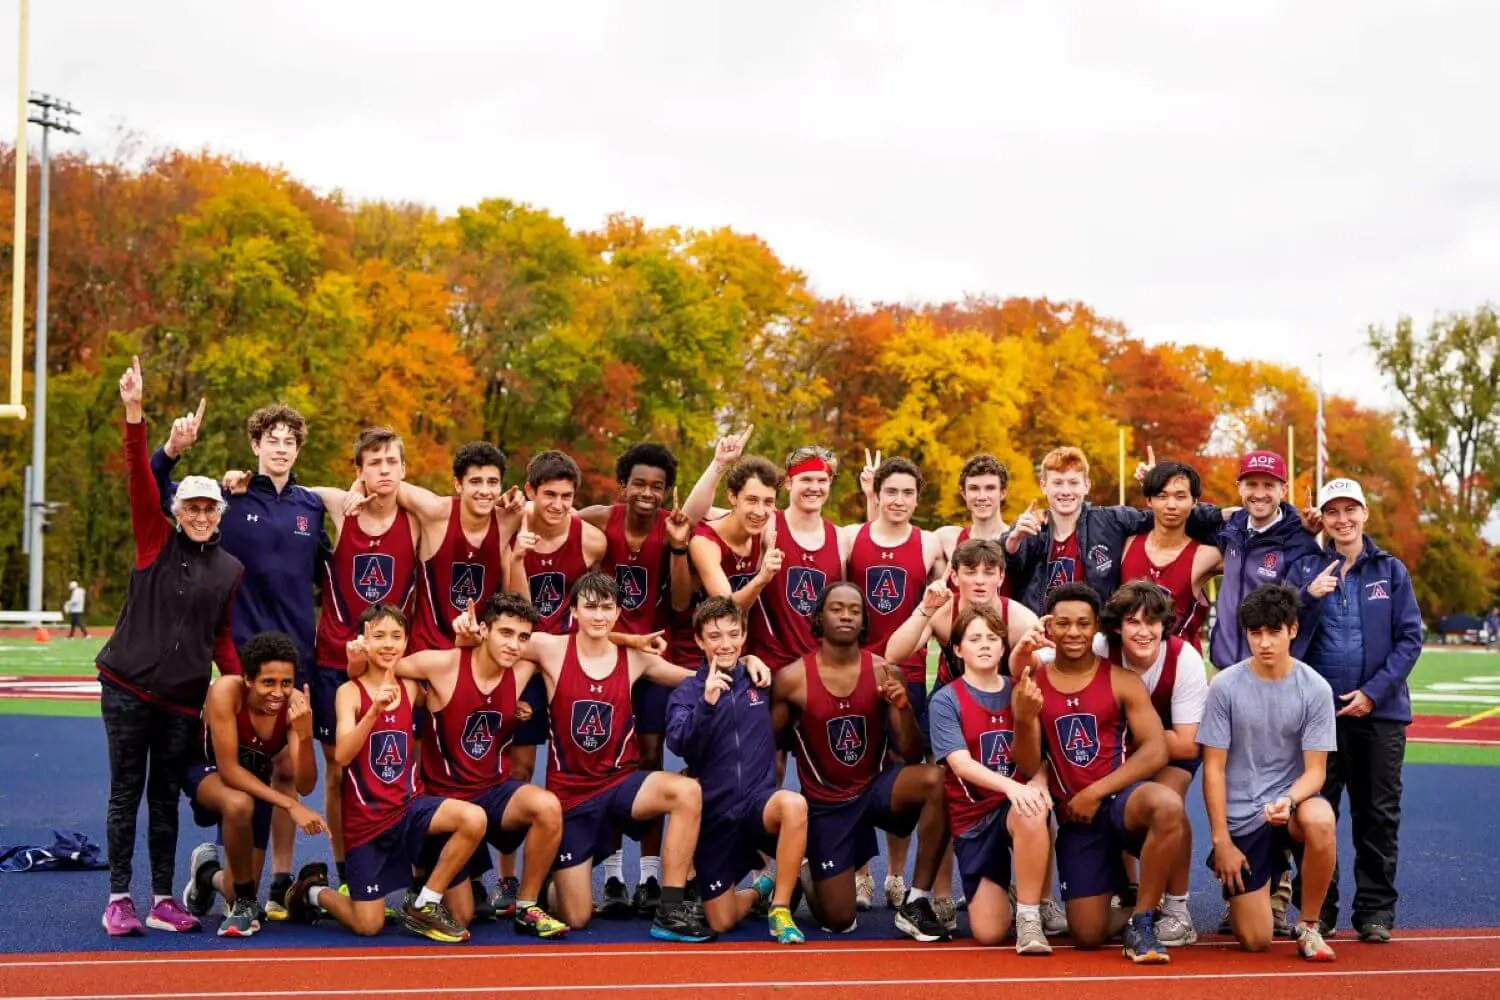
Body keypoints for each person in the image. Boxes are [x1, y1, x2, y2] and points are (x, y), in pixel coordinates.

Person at [518, 572, 772, 941]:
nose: (599, 616)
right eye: (590, 607)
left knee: (686, 791)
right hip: (571, 797)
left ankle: (669, 909)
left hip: (622, 785)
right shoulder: (549, 648)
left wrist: (745, 660)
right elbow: (501, 644)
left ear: (618, 611)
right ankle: (552, 883)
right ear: (573, 610)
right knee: (576, 917)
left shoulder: (634, 659)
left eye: (607, 607)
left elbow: (699, 674)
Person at [161, 402, 328, 919]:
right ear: (255, 446)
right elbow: (177, 509)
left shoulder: (313, 507)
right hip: (243, 659)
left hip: (299, 657)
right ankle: (220, 868)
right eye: (271, 439)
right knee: (246, 766)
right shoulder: (230, 500)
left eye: (289, 441)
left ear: (299, 449)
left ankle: (279, 877)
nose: (280, 448)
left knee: (287, 764)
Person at [99, 358, 244, 938]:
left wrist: (236, 689)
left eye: (210, 508)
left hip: (183, 700)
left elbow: (224, 638)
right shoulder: (154, 537)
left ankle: (161, 896)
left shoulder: (230, 568)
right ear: (178, 510)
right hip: (128, 686)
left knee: (165, 800)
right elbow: (139, 475)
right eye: (193, 507)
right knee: (124, 793)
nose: (202, 515)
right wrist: (135, 413)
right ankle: (118, 897)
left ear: (219, 514)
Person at [347, 593, 570, 938]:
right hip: (446, 801)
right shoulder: (441, 665)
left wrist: (630, 638)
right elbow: (379, 666)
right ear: (484, 630)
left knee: (548, 806)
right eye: (505, 633)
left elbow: (588, 633)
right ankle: (425, 891)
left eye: (522, 637)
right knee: (463, 916)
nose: (514, 644)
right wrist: (355, 660)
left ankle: (527, 906)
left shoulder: (523, 667)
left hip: (494, 792)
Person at [371, 440, 521, 918]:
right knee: (406, 752)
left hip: (472, 659)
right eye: (474, 481)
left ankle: (475, 868)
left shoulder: (508, 519)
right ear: (458, 484)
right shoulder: (436, 511)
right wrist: (356, 488)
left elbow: (582, 508)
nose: (484, 490)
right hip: (425, 657)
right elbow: (384, 478)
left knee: (483, 752)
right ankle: (403, 864)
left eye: (492, 482)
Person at [285, 603, 487, 942]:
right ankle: (310, 892)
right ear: (363, 641)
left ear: (407, 641)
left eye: (396, 636)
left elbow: (454, 683)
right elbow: (344, 755)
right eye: (378, 636)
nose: (388, 644)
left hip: (410, 810)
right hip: (367, 823)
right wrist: (374, 710)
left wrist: (464, 643)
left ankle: (426, 901)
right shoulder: (348, 693)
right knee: (368, 925)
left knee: (473, 820)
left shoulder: (410, 687)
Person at [1010, 582, 1187, 964]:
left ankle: (1142, 921)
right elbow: (1026, 765)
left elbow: (1156, 749)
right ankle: (1134, 905)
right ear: (1050, 627)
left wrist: (1096, 792)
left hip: (1121, 802)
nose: (1073, 632)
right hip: (1076, 818)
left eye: (1083, 624)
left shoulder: (1122, 680)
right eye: (1063, 624)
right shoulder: (1031, 684)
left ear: (1096, 629)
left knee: (1167, 804)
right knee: (1087, 934)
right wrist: (1024, 719)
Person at [771, 581, 951, 943]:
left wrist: (900, 708)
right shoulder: (791, 680)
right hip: (827, 807)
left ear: (865, 621)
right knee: (838, 920)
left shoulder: (886, 672)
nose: (846, 615)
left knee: (938, 780)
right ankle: (809, 871)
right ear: (819, 617)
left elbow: (912, 753)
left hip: (874, 790)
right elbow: (770, 745)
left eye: (855, 610)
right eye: (837, 608)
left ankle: (917, 900)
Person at [1290, 477, 1423, 942]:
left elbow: (1410, 639)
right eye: (1333, 512)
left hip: (1379, 713)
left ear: (1365, 513)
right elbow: (1283, 630)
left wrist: (1373, 692)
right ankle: (1318, 910)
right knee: (1313, 813)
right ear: (1322, 519)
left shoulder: (1391, 570)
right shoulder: (1306, 568)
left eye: (1351, 510)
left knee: (1378, 814)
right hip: (1316, 717)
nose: (1343, 520)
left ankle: (1375, 912)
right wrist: (1308, 598)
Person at [297, 428, 421, 892]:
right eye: (373, 463)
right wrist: (240, 478)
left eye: (391, 462)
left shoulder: (414, 518)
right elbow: (289, 488)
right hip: (335, 658)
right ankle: (346, 866)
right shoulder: (338, 507)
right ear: (359, 471)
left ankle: (405, 861)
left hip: (395, 664)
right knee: (337, 768)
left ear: (403, 469)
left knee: (404, 761)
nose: (383, 470)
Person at [1197, 584, 1340, 961]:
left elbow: (1315, 773)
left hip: (1289, 808)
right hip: (1244, 814)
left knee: (1321, 819)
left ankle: (1309, 926)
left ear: (1292, 629)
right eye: (1255, 633)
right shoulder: (1224, 687)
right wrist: (1221, 842)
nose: (1264, 642)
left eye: (1274, 631)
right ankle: (1262, 883)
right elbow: (1213, 769)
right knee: (1256, 940)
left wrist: (1289, 800)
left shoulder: (1315, 689)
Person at [665, 597, 809, 943]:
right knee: (720, 921)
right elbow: (679, 744)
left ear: (744, 636)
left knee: (794, 804)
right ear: (699, 640)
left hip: (758, 805)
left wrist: (751, 660)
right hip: (717, 817)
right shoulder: (687, 692)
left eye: (733, 634)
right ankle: (762, 890)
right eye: (714, 636)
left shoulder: (760, 678)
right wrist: (707, 704)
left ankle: (781, 908)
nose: (725, 644)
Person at [842, 455, 944, 910]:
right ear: (877, 495)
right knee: (857, 769)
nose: (899, 500)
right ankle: (863, 874)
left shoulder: (928, 545)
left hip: (909, 673)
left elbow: (936, 609)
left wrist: (904, 650)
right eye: (891, 492)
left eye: (907, 493)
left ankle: (897, 876)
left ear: (917, 497)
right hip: (857, 670)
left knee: (902, 773)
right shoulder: (852, 538)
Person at [927, 604, 1054, 954]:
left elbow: (1046, 751)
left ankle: (1030, 916)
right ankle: (1012, 893)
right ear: (957, 648)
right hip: (974, 818)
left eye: (993, 638)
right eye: (974, 638)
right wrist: (1012, 784)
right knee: (989, 932)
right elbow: (961, 764)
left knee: (1032, 808)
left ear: (1004, 646)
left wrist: (1039, 780)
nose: (985, 645)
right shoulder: (945, 699)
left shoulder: (1022, 688)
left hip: (1016, 806)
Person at [180, 632, 323, 937]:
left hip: (254, 779)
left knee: (236, 885)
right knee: (238, 803)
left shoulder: (295, 704)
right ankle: (245, 904)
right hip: (208, 769)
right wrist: (289, 804)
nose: (278, 692)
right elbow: (230, 770)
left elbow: (306, 784)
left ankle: (207, 874)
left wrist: (305, 734)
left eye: (286, 683)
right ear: (247, 678)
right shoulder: (225, 692)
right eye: (268, 682)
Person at [1098, 580, 1210, 947]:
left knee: (1168, 806)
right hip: (1121, 751)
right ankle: (1127, 888)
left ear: (1165, 625)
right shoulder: (1101, 649)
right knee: (1108, 800)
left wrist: (1132, 744)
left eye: (1152, 622)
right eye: (1133, 621)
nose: (1143, 631)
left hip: (1173, 751)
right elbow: (1049, 663)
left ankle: (1177, 909)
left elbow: (1187, 743)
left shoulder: (1185, 659)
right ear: (1117, 625)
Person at [504, 450, 608, 801]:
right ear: (531, 491)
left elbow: (594, 605)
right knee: (519, 767)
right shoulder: (508, 526)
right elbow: (514, 606)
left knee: (577, 760)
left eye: (566, 496)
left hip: (566, 659)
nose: (558, 504)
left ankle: (573, 844)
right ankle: (510, 855)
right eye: (550, 494)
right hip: (521, 657)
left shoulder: (592, 542)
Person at [1004, 447, 1218, 616]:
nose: (1066, 491)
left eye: (1073, 482)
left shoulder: (1109, 520)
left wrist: (1157, 487)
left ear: (1086, 485)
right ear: (1044, 486)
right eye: (1057, 483)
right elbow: (1002, 570)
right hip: (1042, 638)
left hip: (1095, 639)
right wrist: (1012, 542)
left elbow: (1169, 515)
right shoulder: (1030, 527)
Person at [749, 445, 848, 671]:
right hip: (769, 667)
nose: (815, 488)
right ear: (788, 483)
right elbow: (704, 515)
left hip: (819, 669)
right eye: (806, 479)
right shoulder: (766, 523)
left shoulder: (841, 539)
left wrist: (872, 497)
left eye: (822, 480)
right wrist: (719, 466)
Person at [1120, 460, 1220, 651]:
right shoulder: (1126, 544)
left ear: (1194, 502)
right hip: (1126, 664)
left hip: (1179, 667)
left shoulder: (1207, 555)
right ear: (1149, 500)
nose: (1171, 505)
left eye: (1181, 496)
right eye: (1162, 496)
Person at [935, 454, 1011, 584]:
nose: (982, 496)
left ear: (1003, 492)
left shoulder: (1019, 543)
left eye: (990, 488)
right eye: (974, 488)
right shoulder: (947, 540)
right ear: (963, 493)